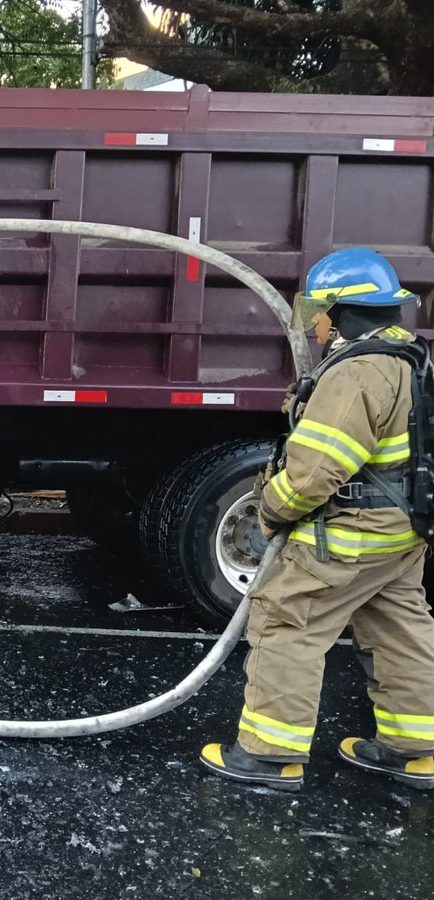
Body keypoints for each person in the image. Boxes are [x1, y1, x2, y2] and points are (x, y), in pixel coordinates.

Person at [200, 247, 434, 792]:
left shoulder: (358, 373)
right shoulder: (413, 360)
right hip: (399, 535)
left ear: (341, 309)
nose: (317, 325)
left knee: (286, 624)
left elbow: (315, 471)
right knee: (402, 633)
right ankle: (415, 751)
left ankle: (268, 755)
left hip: (348, 536)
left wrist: (271, 513)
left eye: (321, 312)